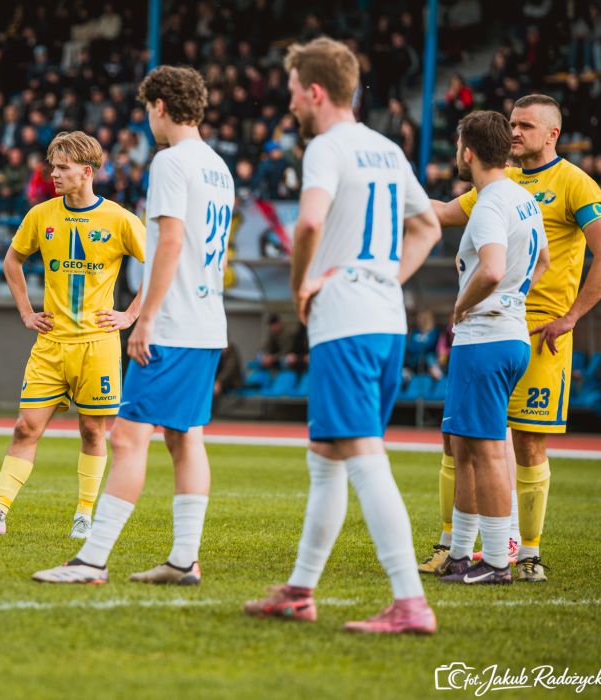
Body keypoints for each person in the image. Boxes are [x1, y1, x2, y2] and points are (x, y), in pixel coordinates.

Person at [241, 38, 441, 634]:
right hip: (384, 318)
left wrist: (301, 286)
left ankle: (410, 602)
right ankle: (300, 591)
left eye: (293, 91)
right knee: (326, 456)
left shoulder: (326, 148)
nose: (290, 103)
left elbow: (308, 222)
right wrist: (383, 276)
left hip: (347, 322)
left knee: (363, 456)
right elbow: (427, 227)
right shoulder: (387, 149)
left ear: (315, 91)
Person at [31, 64, 231, 585]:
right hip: (208, 321)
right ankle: (183, 560)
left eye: (147, 109)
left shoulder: (171, 161)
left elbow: (170, 243)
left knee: (126, 440)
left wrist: (144, 317)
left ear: (159, 106)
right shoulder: (218, 166)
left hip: (174, 324)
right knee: (185, 439)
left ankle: (91, 560)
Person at [426, 94, 601, 582]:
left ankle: (525, 553)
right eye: (511, 123)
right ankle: (453, 546)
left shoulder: (574, 183)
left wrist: (570, 316)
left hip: (538, 332)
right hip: (507, 327)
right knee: (459, 440)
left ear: (553, 134)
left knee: (525, 442)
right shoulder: (504, 183)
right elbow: (443, 212)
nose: (514, 132)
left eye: (526, 125)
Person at [0, 130, 145, 538]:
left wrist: (130, 314)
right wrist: (27, 312)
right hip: (51, 343)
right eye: (53, 166)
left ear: (87, 172)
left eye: (62, 167)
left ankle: (84, 516)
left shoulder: (119, 219)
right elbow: (12, 261)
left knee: (92, 430)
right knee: (25, 427)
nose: (53, 174)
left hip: (97, 344)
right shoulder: (40, 215)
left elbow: (161, 266)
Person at [433, 111, 549, 586]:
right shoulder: (523, 197)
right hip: (508, 333)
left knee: (485, 451)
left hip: (485, 337)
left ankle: (498, 561)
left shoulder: (488, 204)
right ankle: (462, 553)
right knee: (465, 445)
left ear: (469, 151)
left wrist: (463, 305)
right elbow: (543, 260)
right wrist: (514, 299)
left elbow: (492, 268)